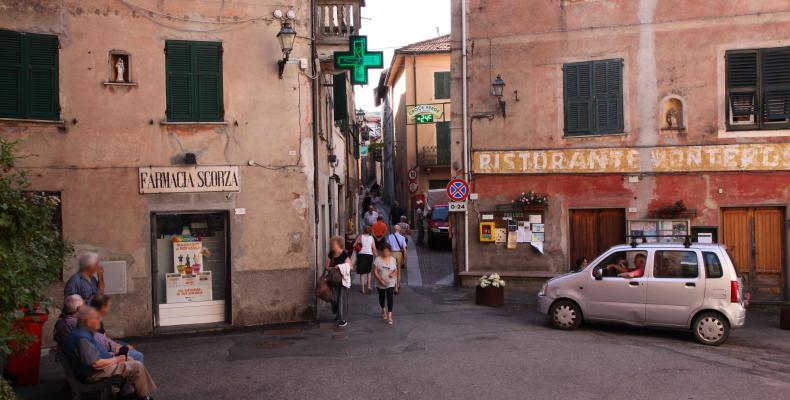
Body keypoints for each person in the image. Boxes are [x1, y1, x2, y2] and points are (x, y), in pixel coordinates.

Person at [63, 307, 156, 399]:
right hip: (93, 374)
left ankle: (128, 394)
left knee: (130, 359)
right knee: (136, 366)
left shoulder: (81, 332)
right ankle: (144, 397)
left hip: (94, 369)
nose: (99, 321)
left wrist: (114, 356)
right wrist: (117, 359)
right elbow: (96, 364)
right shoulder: (82, 338)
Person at [91, 295, 144, 364]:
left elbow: (103, 337)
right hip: (107, 353)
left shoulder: (96, 318)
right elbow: (101, 342)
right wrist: (117, 347)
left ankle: (133, 369)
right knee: (138, 355)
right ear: (102, 307)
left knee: (131, 349)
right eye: (108, 306)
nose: (109, 308)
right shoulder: (93, 321)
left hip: (107, 347)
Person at [326, 236, 352, 327]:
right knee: (334, 299)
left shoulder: (344, 254)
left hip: (342, 279)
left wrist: (340, 267)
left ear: (339, 244)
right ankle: (338, 315)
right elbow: (327, 267)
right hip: (333, 280)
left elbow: (351, 266)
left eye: (334, 244)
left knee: (341, 299)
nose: (332, 245)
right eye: (332, 244)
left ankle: (342, 319)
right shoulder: (331, 254)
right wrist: (334, 268)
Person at [373, 244, 399, 325]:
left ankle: (390, 315)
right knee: (382, 298)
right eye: (384, 251)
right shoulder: (377, 259)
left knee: (390, 297)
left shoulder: (393, 259)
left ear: (390, 252)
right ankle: (383, 309)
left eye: (387, 251)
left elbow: (396, 270)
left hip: (390, 282)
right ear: (382, 251)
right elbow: (375, 271)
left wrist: (393, 274)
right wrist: (380, 280)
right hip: (380, 283)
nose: (386, 253)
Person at [353, 226, 377, 294]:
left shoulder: (360, 237)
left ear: (363, 230)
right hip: (369, 255)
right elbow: (374, 248)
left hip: (361, 255)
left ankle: (362, 289)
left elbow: (354, 245)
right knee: (369, 272)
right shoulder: (372, 238)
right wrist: (376, 255)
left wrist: (358, 244)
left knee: (362, 273)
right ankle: (369, 286)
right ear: (370, 231)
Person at [386, 225, 408, 292]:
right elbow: (404, 250)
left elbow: (387, 247)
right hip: (399, 254)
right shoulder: (402, 238)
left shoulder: (389, 237)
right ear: (399, 229)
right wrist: (404, 260)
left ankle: (393, 285)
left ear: (394, 229)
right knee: (398, 271)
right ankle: (397, 285)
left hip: (392, 254)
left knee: (392, 270)